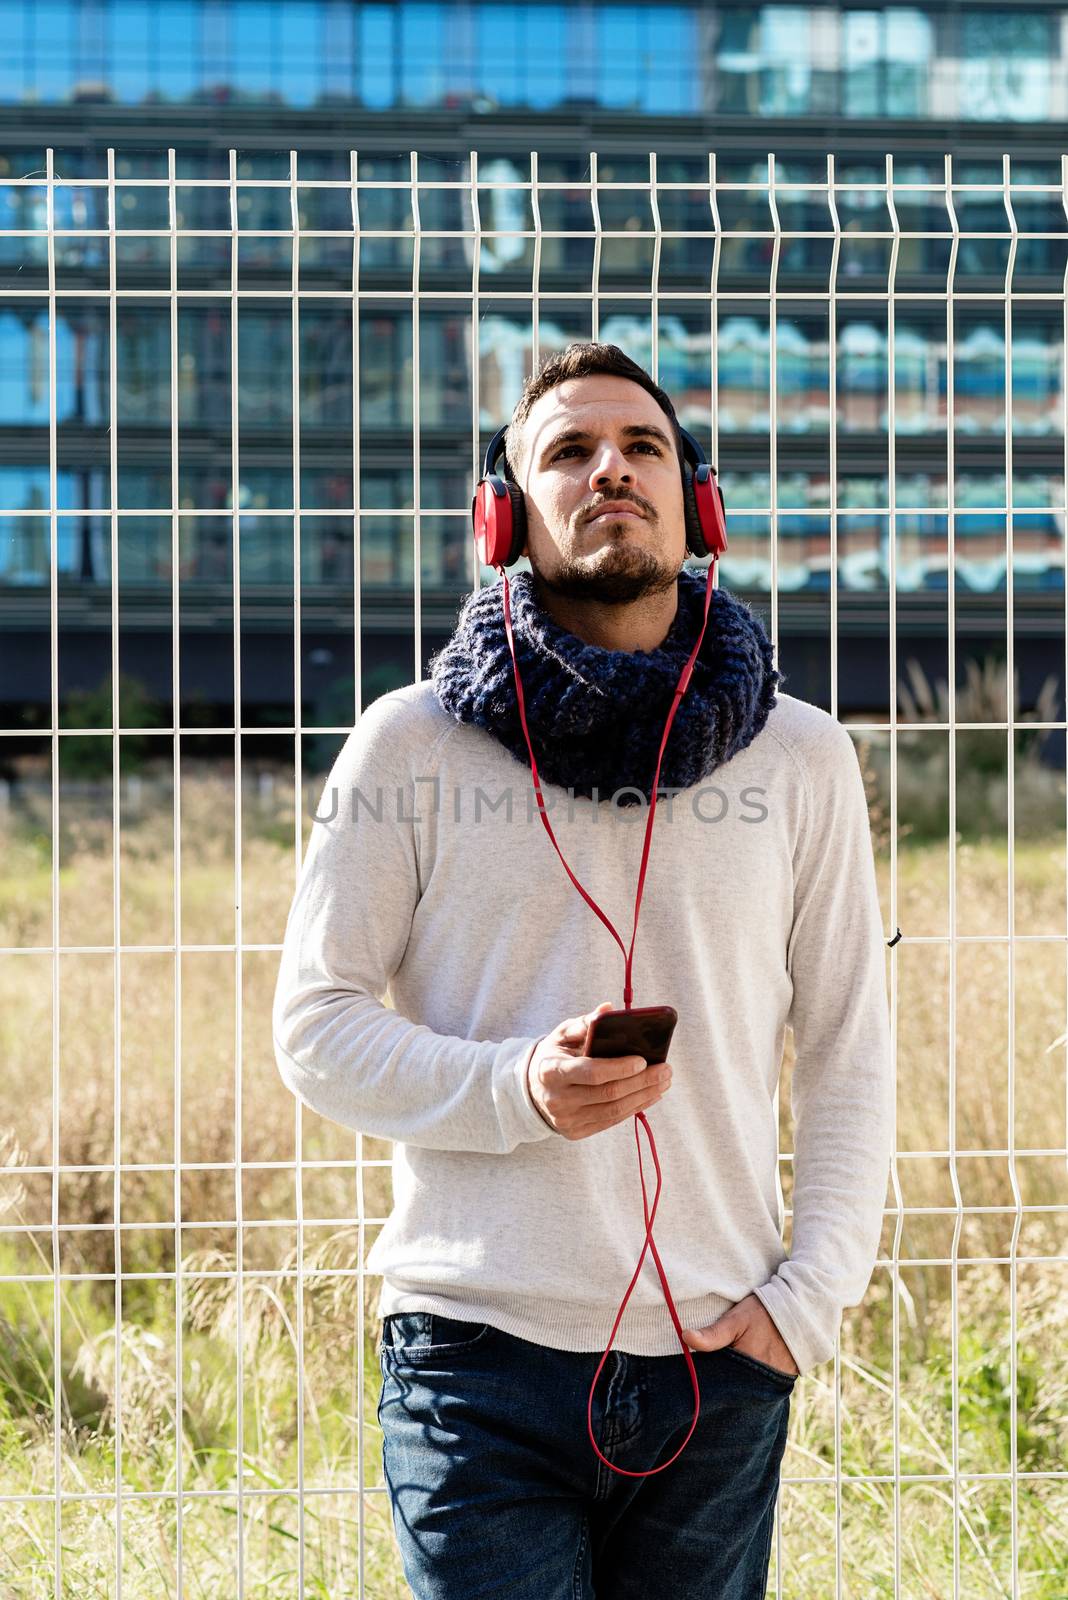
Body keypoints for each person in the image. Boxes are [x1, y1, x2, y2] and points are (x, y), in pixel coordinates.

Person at [272, 342, 894, 1599]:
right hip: (473, 1355)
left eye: (643, 446)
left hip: (718, 1357)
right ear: (504, 516)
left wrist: (804, 1305)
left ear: (696, 499)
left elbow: (848, 1047)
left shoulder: (806, 759)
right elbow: (315, 1025)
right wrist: (515, 1085)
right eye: (568, 451)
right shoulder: (407, 743)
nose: (611, 468)